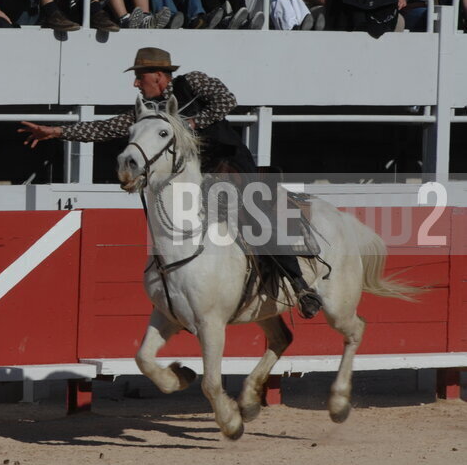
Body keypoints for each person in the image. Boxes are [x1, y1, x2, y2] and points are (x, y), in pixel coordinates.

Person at [18, 46, 324, 319]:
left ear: (160, 76)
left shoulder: (194, 81)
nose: (136, 83)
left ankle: (300, 286)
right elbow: (108, 127)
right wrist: (57, 132)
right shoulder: (149, 111)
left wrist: (190, 123)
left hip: (228, 163)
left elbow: (226, 100)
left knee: (256, 213)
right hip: (193, 174)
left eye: (140, 76)